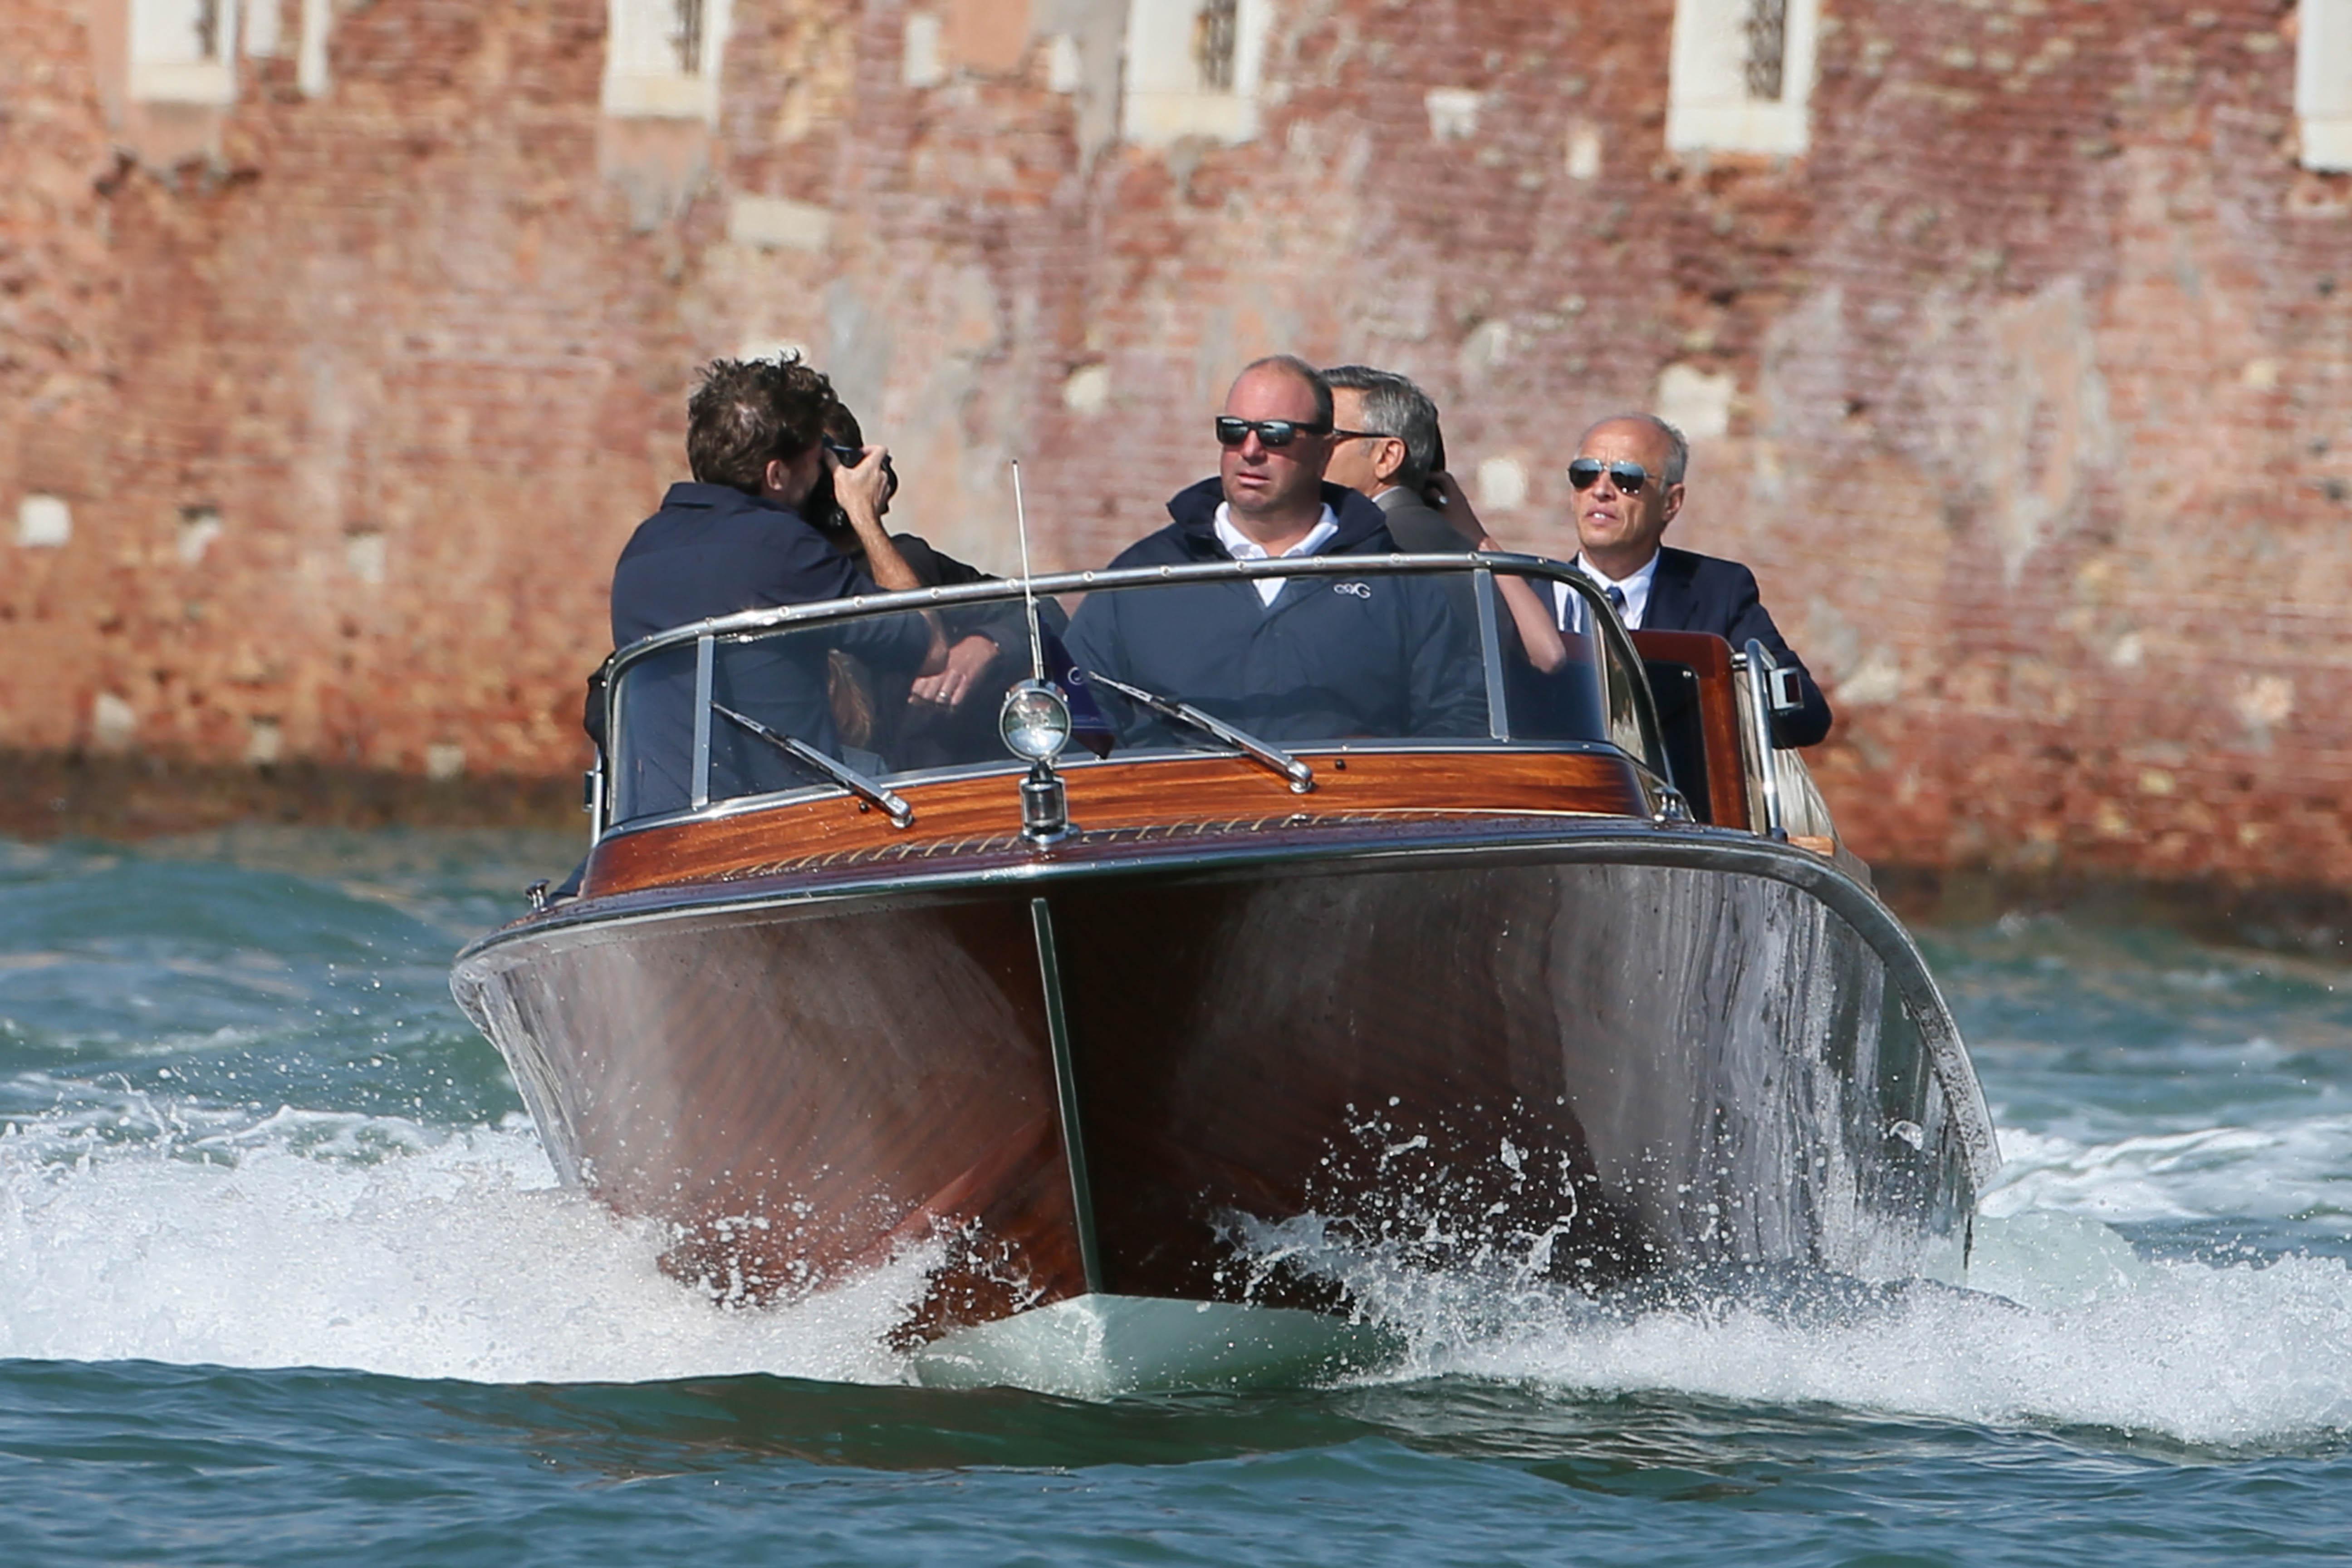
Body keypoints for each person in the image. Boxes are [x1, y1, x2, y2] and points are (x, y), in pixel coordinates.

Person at [1065, 355, 1484, 744]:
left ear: (1324, 451)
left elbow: (1458, 720)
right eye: (1233, 431)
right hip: (1179, 813)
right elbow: (1076, 726)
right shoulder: (1140, 577)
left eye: (1275, 435)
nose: (1250, 450)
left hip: (1348, 815)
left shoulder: (1397, 580)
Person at [599, 355, 947, 816]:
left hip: (664, 834)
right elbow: (929, 647)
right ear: (776, 475)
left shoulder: (643, 549)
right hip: (779, 829)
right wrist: (863, 514)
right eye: (813, 462)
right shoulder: (782, 547)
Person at [1539, 413, 1832, 747]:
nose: (1602, 491)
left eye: (1627, 478)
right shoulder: (1522, 597)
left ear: (1671, 503)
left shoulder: (1717, 591)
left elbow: (1806, 719)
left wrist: (1722, 695)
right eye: (1586, 475)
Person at [800, 402, 1058, 769]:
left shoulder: (911, 560)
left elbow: (1039, 612)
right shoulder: (771, 571)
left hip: (920, 783)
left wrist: (985, 646)